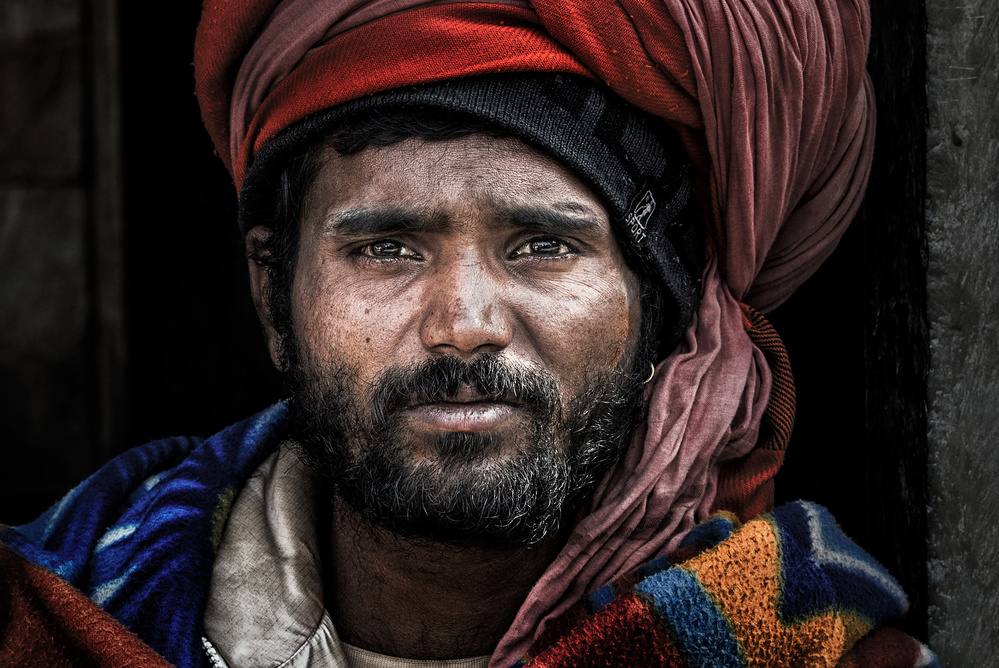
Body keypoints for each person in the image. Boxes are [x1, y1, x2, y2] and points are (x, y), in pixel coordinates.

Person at [1, 1, 938, 667]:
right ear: (269, 289)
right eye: (387, 248)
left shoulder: (809, 654)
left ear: (663, 306)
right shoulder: (52, 620)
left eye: (541, 245)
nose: (462, 327)